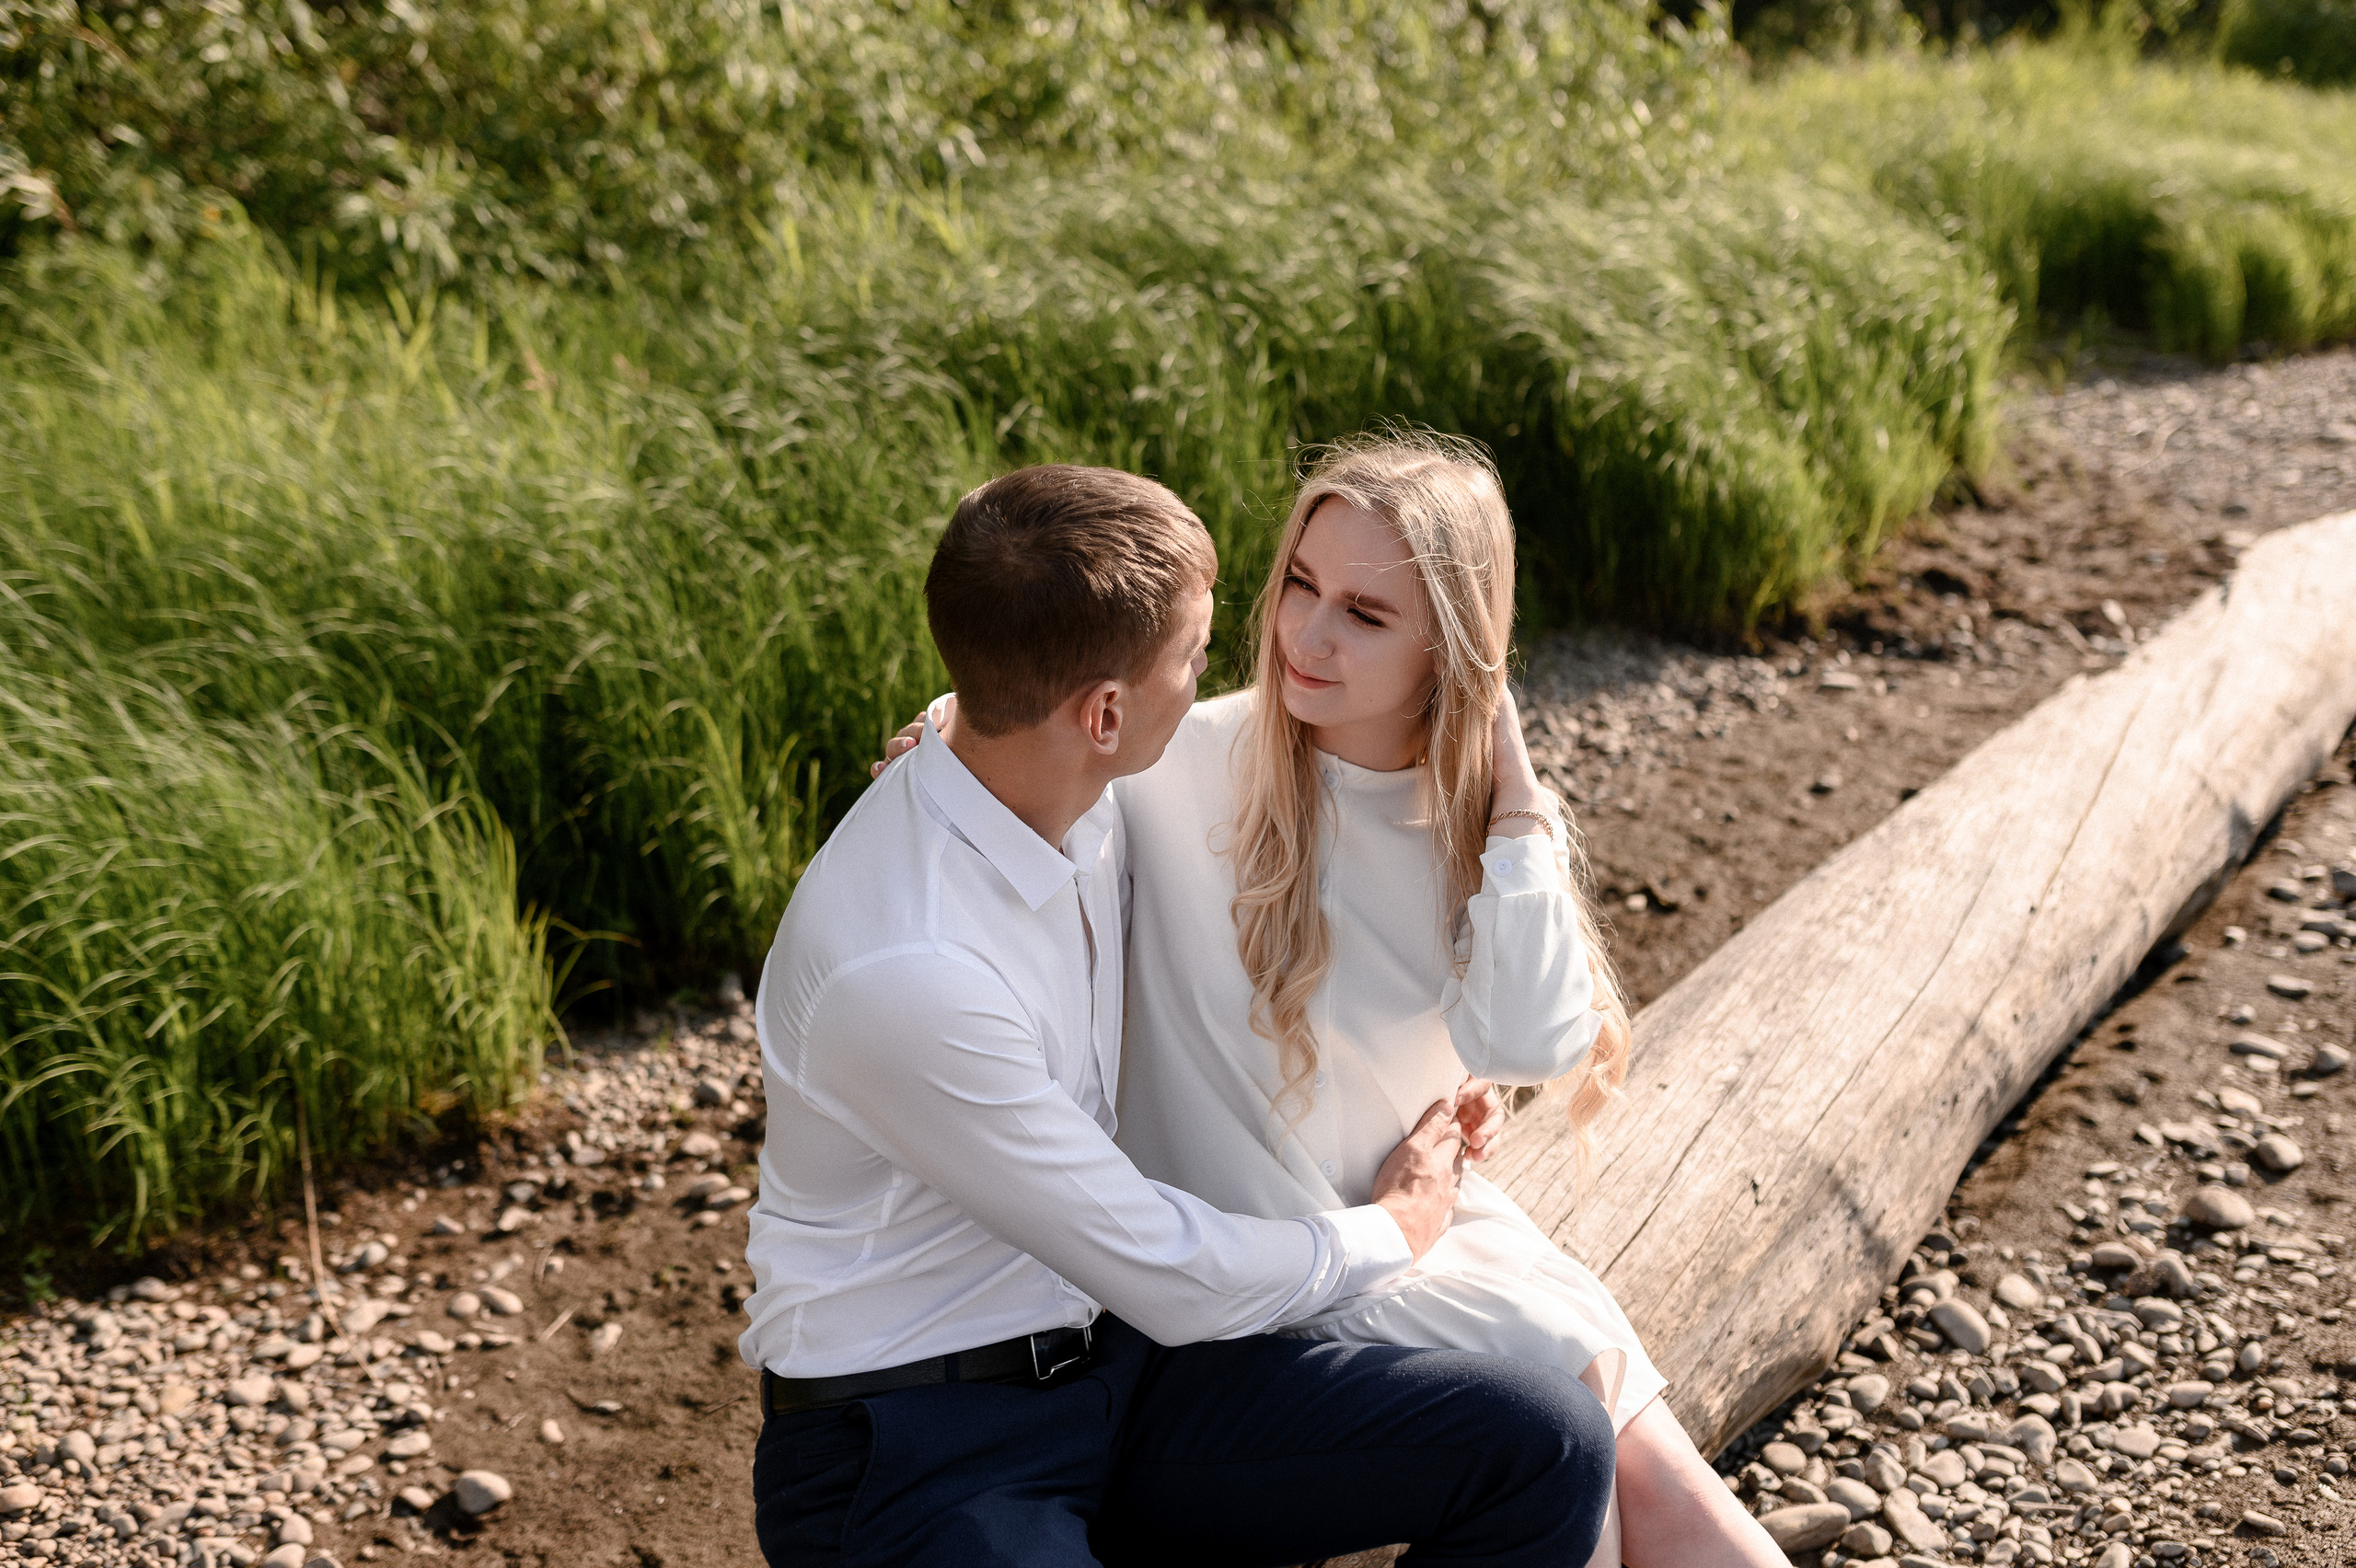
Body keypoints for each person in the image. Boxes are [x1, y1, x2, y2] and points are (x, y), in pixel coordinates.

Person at [880, 436, 1784, 1566]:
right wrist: (936, 740)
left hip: (1407, 1227)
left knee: (1610, 1435)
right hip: (1271, 1262)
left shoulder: (1471, 828)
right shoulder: (1180, 765)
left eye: (1364, 614)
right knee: (1580, 1408)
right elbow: (1017, 743)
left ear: (1454, 650)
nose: (1306, 635)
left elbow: (1529, 1040)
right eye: (1300, 585)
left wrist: (1515, 801)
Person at [743, 462, 1619, 1568]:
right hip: (922, 1445)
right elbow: (1161, 1263)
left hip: (1119, 1371)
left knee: (1541, 1441)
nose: (1236, 672)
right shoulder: (909, 971)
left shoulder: (1077, 798)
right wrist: (1392, 1229)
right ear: (1105, 712)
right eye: (1193, 659)